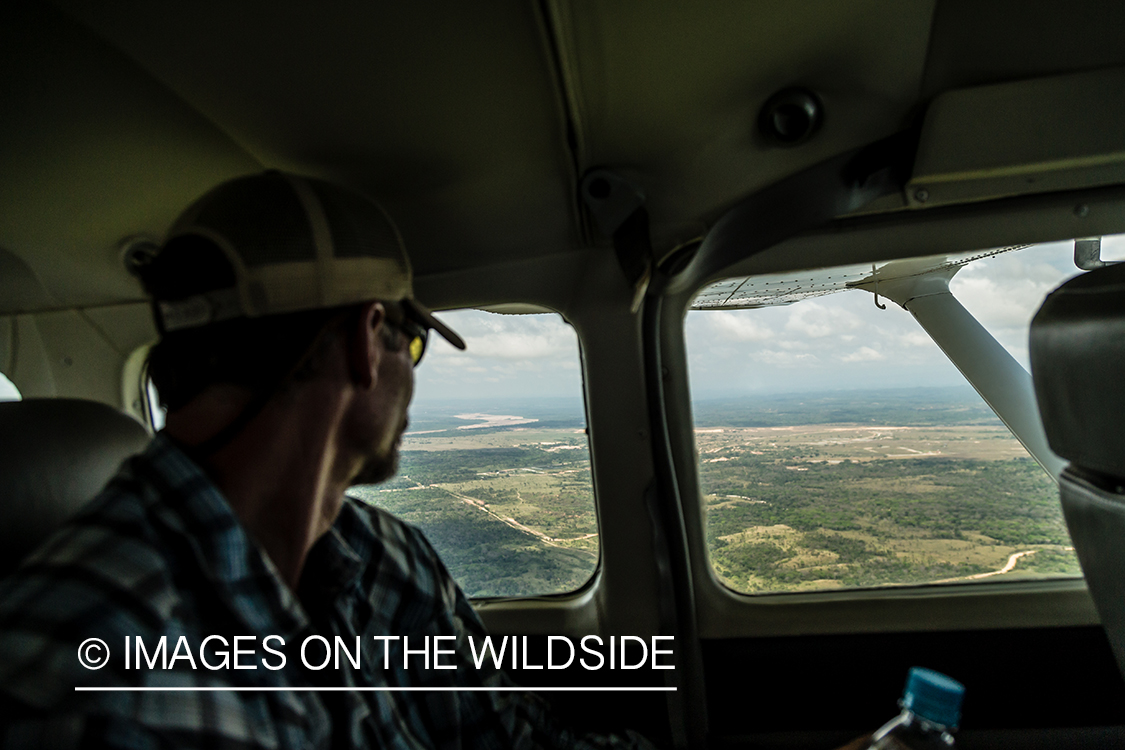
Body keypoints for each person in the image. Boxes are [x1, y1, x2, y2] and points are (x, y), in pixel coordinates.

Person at [0, 171, 655, 749]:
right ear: (367, 340)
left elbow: (509, 739)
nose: (414, 376)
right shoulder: (100, 702)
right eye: (415, 344)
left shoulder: (390, 559)